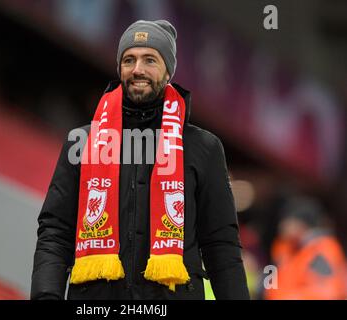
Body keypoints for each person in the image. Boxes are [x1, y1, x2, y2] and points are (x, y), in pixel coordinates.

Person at [31, 19, 250, 300]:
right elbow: (55, 230)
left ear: (168, 70)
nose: (137, 70)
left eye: (150, 60)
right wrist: (46, 295)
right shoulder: (82, 141)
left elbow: (221, 245)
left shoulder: (203, 148)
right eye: (129, 60)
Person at [264, 196, 347, 300]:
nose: (282, 225)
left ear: (302, 224)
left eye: (287, 220)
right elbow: (271, 280)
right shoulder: (283, 247)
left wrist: (290, 297)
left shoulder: (320, 250)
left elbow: (328, 291)